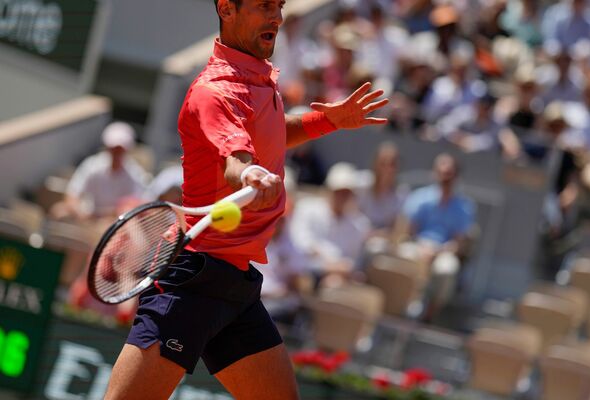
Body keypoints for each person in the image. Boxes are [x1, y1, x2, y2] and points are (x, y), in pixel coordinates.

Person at [103, 0, 389, 397]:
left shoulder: (256, 77)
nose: (276, 16)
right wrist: (251, 173)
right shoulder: (213, 92)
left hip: (236, 286)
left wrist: (330, 120)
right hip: (191, 282)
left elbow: (267, 133)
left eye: (279, 6)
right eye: (263, 6)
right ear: (227, 9)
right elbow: (235, 158)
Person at [400, 153, 475, 317]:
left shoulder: (464, 207)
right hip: (417, 246)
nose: (445, 177)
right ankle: (401, 304)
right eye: (442, 172)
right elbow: (408, 231)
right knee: (404, 255)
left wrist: (439, 251)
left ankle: (429, 314)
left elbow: (459, 242)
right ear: (434, 172)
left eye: (449, 174)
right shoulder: (419, 198)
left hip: (444, 251)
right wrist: (422, 248)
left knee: (447, 269)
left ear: (456, 176)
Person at [290, 162, 371, 285]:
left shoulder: (358, 224)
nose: (342, 197)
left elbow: (354, 260)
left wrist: (341, 269)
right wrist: (329, 265)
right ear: (329, 190)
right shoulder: (308, 209)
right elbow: (300, 244)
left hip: (343, 277)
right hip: (308, 272)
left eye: (346, 193)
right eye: (339, 191)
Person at [53, 122, 148, 220]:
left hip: (116, 219)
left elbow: (138, 204)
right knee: (59, 211)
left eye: (120, 149)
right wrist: (79, 212)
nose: (116, 153)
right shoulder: (92, 165)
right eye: (113, 149)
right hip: (89, 214)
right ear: (107, 148)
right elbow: (72, 193)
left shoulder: (134, 174)